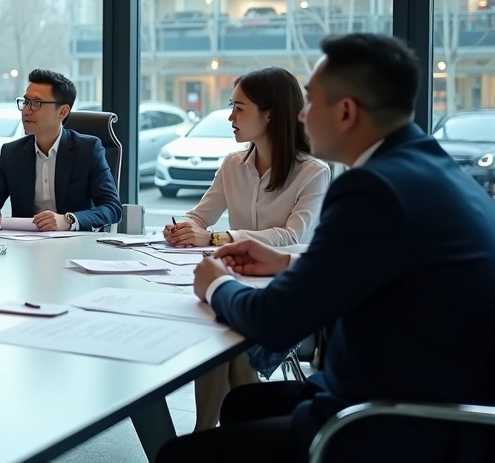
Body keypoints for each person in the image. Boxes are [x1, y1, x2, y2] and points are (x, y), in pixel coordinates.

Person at [157, 34, 495, 462]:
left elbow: (274, 321)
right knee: (242, 404)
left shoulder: (373, 188)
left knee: (180, 455)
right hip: (440, 400)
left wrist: (215, 284)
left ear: (346, 111)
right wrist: (286, 262)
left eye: (311, 102)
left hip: (392, 424)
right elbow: (381, 265)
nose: (301, 115)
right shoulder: (430, 168)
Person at [162, 67, 331, 432]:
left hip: (280, 292)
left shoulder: (313, 171)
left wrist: (217, 239)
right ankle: (208, 435)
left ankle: (207, 437)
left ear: (270, 114)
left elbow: (291, 236)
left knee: (225, 337)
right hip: (234, 282)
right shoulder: (233, 164)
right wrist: (183, 228)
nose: (230, 118)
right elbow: (200, 216)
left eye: (239, 109)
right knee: (216, 333)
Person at [0, 69, 121, 232]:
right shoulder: (12, 153)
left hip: (74, 243)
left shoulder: (87, 150)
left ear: (62, 111)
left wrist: (68, 220)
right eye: (25, 102)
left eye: (36, 103)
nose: (27, 110)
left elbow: (112, 208)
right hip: (24, 243)